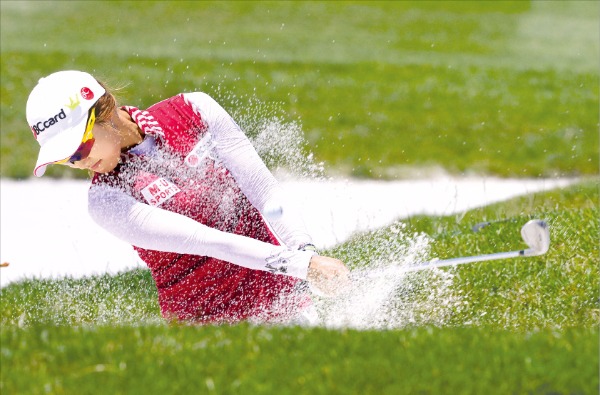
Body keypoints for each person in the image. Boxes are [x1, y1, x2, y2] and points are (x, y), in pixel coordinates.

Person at [26, 70, 350, 324]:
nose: (78, 162)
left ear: (106, 109)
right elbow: (206, 240)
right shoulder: (105, 200)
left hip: (286, 300)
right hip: (208, 334)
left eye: (79, 147)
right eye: (65, 159)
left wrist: (305, 250)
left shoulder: (193, 109)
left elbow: (264, 192)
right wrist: (302, 264)